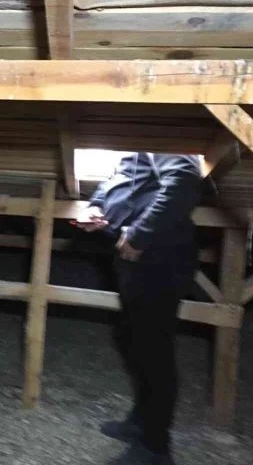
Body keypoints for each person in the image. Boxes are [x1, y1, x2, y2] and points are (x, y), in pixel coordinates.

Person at [76, 152, 202, 465]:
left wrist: (140, 234)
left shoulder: (166, 135)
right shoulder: (136, 141)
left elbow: (183, 180)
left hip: (159, 257)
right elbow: (116, 178)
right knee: (133, 340)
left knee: (154, 349)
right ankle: (141, 422)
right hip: (138, 256)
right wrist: (96, 205)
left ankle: (155, 447)